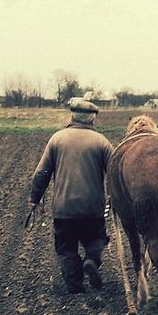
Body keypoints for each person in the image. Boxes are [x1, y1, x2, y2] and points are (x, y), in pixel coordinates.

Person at [30, 102, 114, 294]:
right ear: (93, 118)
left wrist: (35, 198)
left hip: (64, 208)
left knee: (66, 247)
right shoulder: (102, 142)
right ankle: (91, 260)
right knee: (96, 239)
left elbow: (42, 172)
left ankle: (75, 287)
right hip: (93, 208)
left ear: (72, 117)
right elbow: (115, 173)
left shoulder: (57, 139)